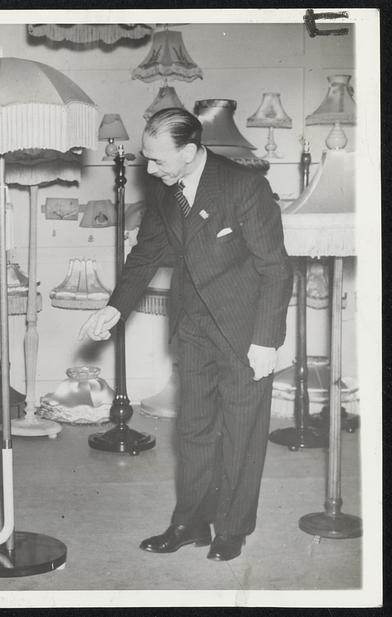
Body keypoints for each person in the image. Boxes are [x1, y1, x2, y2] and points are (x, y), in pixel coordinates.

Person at [79, 108, 292, 562]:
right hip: (193, 328)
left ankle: (232, 529)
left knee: (240, 434)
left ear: (192, 151)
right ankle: (190, 523)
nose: (149, 169)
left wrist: (266, 341)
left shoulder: (243, 186)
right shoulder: (164, 189)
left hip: (244, 332)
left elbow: (276, 268)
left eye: (157, 160)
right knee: (193, 431)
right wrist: (114, 308)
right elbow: (147, 253)